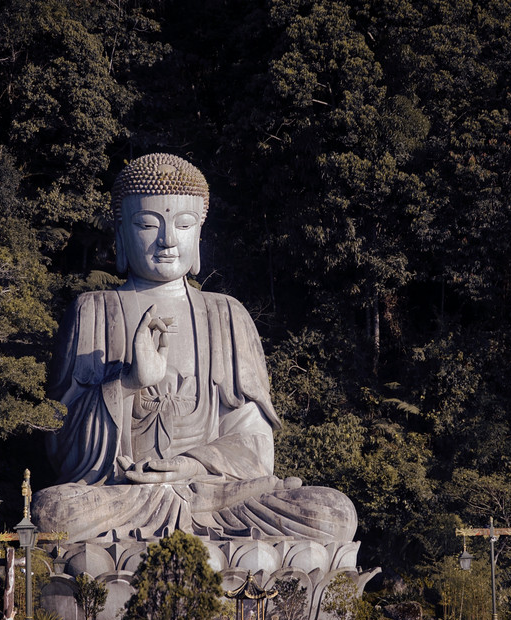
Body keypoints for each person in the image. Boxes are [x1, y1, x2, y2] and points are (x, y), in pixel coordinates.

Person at [33, 154, 356, 544]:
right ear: (120, 232)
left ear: (199, 235)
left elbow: (256, 448)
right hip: (127, 495)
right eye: (148, 224)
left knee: (333, 513)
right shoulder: (93, 310)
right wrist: (129, 382)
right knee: (53, 512)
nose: (168, 239)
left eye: (183, 225)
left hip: (214, 498)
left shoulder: (227, 315)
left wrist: (189, 465)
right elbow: (61, 446)